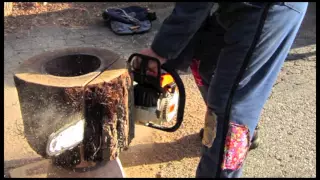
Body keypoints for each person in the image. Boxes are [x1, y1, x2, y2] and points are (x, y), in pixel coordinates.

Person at [135, 2, 308, 178]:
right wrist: (169, 58)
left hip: (267, 8)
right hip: (237, 7)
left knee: (228, 108)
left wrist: (160, 51)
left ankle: (225, 153)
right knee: (205, 60)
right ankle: (245, 129)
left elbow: (194, 6)